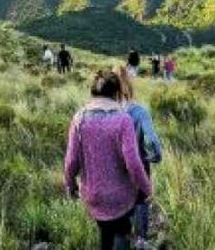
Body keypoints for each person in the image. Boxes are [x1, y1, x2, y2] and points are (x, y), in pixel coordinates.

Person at [65, 71, 152, 250]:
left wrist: (70, 185)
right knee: (122, 232)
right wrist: (146, 188)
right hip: (122, 197)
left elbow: (71, 160)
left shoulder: (79, 119)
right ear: (117, 93)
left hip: (93, 196)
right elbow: (133, 163)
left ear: (92, 93)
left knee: (105, 231)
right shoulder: (123, 120)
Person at [112, 65, 164, 248]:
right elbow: (153, 146)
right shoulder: (140, 112)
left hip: (112, 177)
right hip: (138, 173)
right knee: (140, 232)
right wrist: (153, 158)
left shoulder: (105, 113)